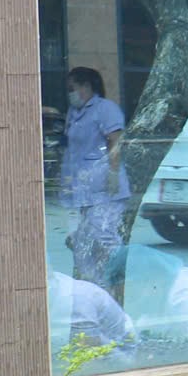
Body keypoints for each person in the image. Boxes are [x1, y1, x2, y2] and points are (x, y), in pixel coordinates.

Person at [61, 67, 129, 287]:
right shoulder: (74, 113)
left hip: (104, 188)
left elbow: (115, 141)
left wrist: (113, 172)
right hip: (82, 189)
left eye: (72, 88)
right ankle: (93, 288)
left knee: (105, 236)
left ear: (86, 86)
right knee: (82, 243)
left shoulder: (105, 109)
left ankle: (117, 280)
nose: (70, 94)